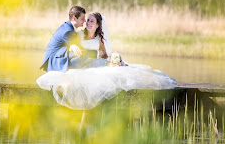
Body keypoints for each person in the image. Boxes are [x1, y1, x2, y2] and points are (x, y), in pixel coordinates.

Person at [37, 12, 177, 109]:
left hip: (94, 65)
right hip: (78, 66)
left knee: (113, 75)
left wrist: (114, 61)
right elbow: (68, 48)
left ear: (98, 25)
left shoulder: (99, 40)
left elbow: (104, 55)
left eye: (92, 20)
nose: (88, 22)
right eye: (87, 20)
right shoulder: (78, 35)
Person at [40, 6, 95, 72]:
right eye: (82, 19)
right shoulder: (68, 31)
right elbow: (75, 46)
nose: (85, 21)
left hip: (59, 54)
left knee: (82, 53)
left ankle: (72, 69)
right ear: (74, 18)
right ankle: (69, 71)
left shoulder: (69, 26)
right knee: (84, 54)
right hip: (54, 59)